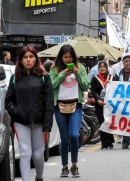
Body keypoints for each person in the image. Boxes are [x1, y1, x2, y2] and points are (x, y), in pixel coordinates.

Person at [5, 46, 54, 181]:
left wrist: (47, 125)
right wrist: (16, 111)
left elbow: (49, 103)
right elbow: (8, 100)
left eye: (31, 57)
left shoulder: (44, 78)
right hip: (21, 122)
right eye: (25, 57)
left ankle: (39, 176)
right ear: (20, 60)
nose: (28, 60)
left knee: (38, 155)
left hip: (39, 122)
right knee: (25, 153)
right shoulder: (15, 78)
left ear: (36, 59)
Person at [50, 44, 90, 177]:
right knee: (64, 138)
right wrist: (62, 74)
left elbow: (85, 85)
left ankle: (74, 165)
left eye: (70, 57)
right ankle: (65, 167)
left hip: (76, 105)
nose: (68, 60)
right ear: (61, 57)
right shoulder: (55, 69)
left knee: (74, 135)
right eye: (65, 57)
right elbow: (51, 86)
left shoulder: (81, 68)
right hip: (60, 106)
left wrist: (77, 73)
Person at [90, 60, 115, 149]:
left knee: (109, 121)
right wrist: (97, 100)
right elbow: (93, 91)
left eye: (104, 67)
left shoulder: (112, 78)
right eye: (100, 67)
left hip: (110, 104)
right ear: (98, 68)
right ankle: (104, 142)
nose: (102, 68)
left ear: (107, 68)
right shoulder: (95, 78)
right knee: (102, 122)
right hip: (99, 104)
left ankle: (110, 141)